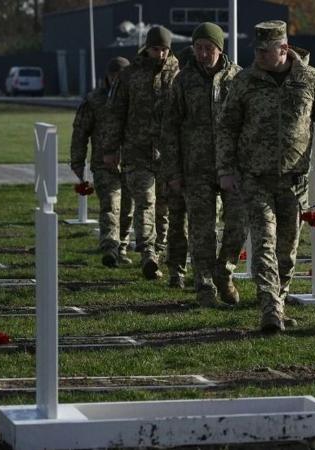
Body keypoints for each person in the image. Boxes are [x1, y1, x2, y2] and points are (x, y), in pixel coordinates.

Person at [216, 20, 315, 332]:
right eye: (256, 50)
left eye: (265, 51)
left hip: (293, 182)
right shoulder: (245, 81)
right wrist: (225, 169)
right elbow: (227, 127)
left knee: (286, 252)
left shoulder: (310, 79)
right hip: (254, 178)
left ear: (284, 49)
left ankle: (278, 303)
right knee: (263, 246)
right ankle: (270, 312)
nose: (258, 55)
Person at [164, 22, 246, 305]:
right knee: (202, 229)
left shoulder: (237, 79)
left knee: (239, 222)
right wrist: (173, 171)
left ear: (219, 49)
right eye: (198, 48)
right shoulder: (183, 80)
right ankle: (205, 286)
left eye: (208, 48)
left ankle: (224, 271)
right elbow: (170, 129)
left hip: (232, 167)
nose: (202, 54)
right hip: (195, 167)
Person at [105, 26, 180, 280]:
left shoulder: (178, 73)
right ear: (147, 48)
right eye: (155, 49)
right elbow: (115, 113)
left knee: (164, 206)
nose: (160, 54)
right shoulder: (130, 75)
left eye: (164, 49)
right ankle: (148, 252)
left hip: (167, 152)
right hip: (137, 149)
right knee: (145, 201)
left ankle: (158, 251)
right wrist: (111, 148)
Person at [70, 56, 134, 267]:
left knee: (127, 209)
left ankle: (121, 247)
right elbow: (80, 132)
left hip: (131, 164)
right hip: (103, 164)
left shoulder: (135, 99)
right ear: (108, 76)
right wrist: (78, 163)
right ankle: (109, 246)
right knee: (110, 205)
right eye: (115, 76)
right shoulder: (95, 101)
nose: (118, 81)